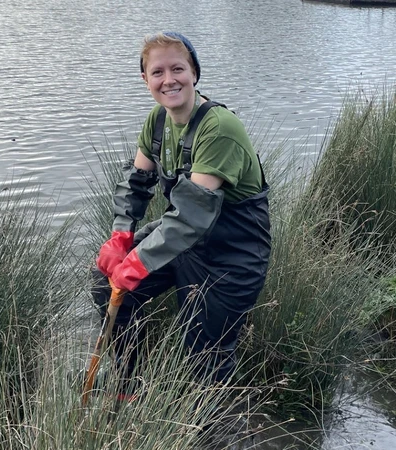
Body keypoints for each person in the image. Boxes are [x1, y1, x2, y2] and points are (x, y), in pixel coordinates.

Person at [91, 31, 271, 396]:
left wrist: (138, 261)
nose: (168, 79)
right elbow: (136, 184)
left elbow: (190, 213)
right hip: (182, 245)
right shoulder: (158, 121)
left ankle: (213, 432)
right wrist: (120, 235)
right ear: (146, 80)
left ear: (194, 73)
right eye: (157, 72)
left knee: (204, 356)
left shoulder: (218, 128)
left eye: (178, 69)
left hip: (232, 256)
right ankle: (128, 385)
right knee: (104, 288)